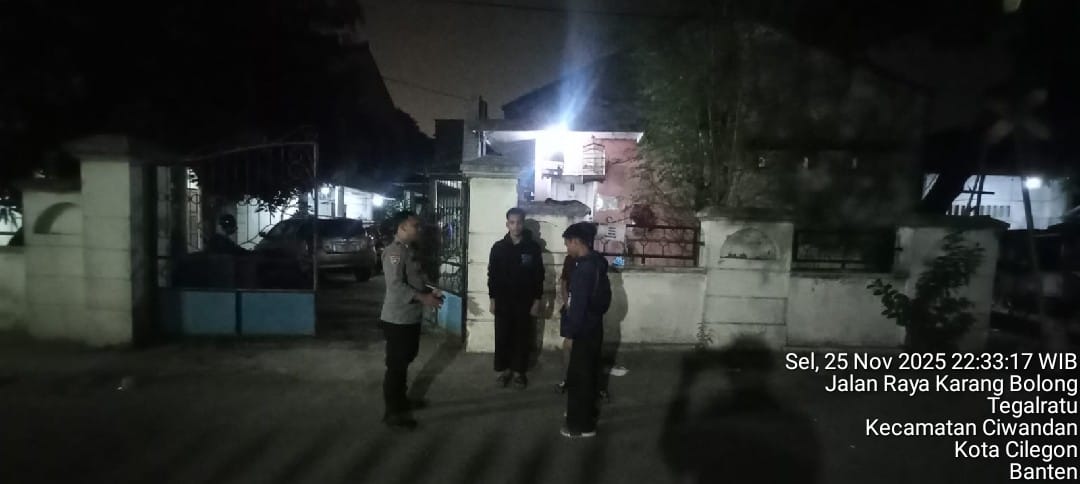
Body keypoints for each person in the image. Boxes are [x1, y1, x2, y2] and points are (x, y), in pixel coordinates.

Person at [380, 211, 443, 431]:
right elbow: (395, 285)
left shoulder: (408, 250)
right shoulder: (394, 252)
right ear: (402, 227)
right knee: (396, 366)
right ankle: (392, 413)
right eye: (415, 225)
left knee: (405, 359)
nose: (419, 229)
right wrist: (424, 298)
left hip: (409, 317)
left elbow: (415, 279)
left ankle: (401, 400)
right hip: (397, 319)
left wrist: (429, 292)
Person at [560, 221, 611, 439]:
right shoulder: (597, 262)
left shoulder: (584, 269)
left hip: (582, 330)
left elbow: (578, 306)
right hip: (593, 326)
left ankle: (580, 426)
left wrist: (570, 334)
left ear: (576, 241)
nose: (566, 248)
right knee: (588, 374)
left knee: (579, 377)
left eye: (567, 243)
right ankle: (585, 414)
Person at [487, 207, 544, 389]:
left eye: (519, 222)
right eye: (512, 222)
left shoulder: (532, 248)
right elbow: (492, 275)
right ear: (507, 224)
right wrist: (492, 299)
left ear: (523, 223)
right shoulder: (498, 248)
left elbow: (539, 275)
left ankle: (519, 372)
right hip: (503, 300)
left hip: (524, 301)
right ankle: (504, 371)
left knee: (522, 336)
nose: (516, 226)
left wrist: (537, 300)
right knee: (503, 335)